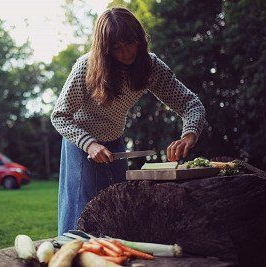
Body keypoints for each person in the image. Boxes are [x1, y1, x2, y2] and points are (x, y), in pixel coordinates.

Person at [50, 7, 206, 235]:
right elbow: (59, 116)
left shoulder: (150, 67)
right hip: (81, 146)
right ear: (105, 50)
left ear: (140, 40)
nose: (125, 53)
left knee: (119, 209)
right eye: (116, 48)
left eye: (130, 43)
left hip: (115, 142)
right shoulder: (86, 67)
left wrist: (189, 135)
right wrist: (90, 144)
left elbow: (191, 103)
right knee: (82, 216)